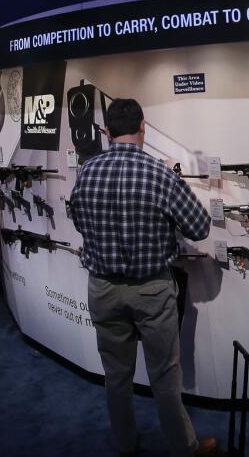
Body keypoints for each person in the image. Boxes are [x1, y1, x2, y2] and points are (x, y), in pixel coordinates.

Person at [70, 98, 217, 456]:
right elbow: (199, 227)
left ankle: (126, 444)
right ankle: (183, 448)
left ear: (106, 131)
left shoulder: (87, 171)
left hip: (102, 288)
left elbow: (77, 220)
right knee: (165, 376)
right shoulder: (160, 174)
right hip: (152, 288)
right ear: (142, 127)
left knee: (116, 377)